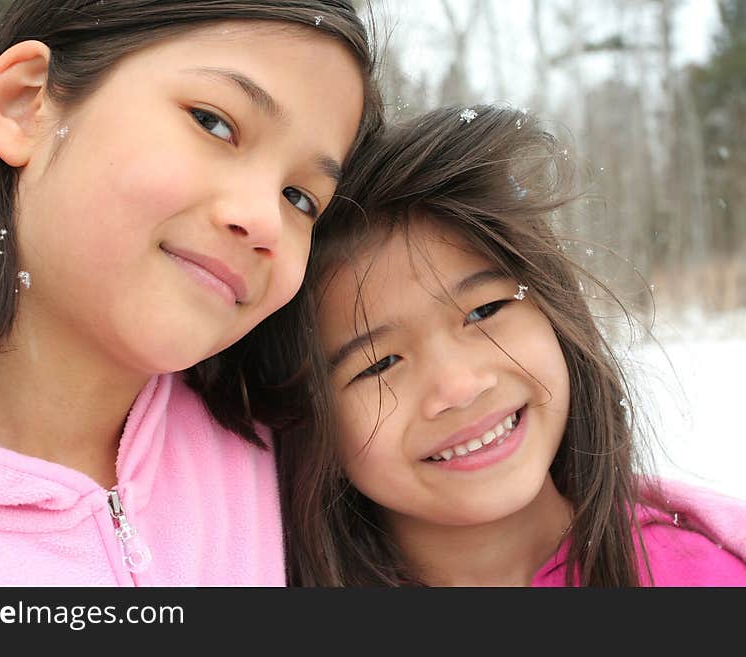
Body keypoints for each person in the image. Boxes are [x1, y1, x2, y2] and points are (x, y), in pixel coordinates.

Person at [0, 0, 383, 586]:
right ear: (25, 103)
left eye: (300, 199)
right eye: (214, 122)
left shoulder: (300, 470)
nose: (265, 221)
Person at [253, 105, 746, 586]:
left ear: (554, 311)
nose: (460, 387)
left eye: (484, 312)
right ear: (310, 415)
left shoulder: (705, 574)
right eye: (380, 363)